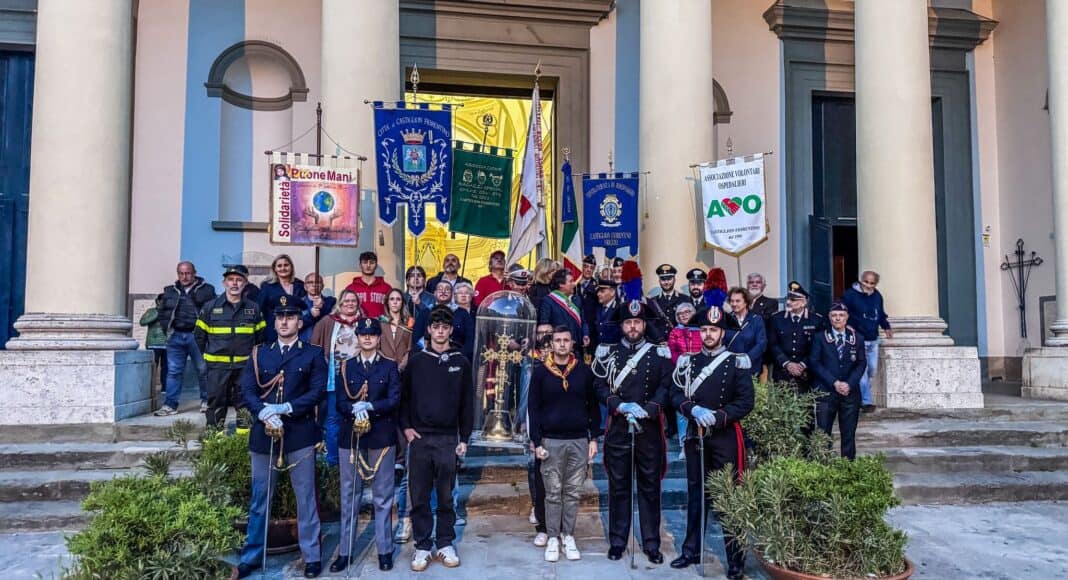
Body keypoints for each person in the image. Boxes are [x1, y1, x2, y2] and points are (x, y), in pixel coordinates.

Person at [232, 296, 327, 579]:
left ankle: (311, 555)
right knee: (260, 498)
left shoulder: (312, 354)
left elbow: (318, 391)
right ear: (274, 322)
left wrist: (287, 407)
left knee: (306, 498)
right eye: (279, 317)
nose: (284, 322)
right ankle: (252, 555)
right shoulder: (260, 353)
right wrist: (262, 411)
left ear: (300, 322)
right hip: (264, 434)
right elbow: (247, 389)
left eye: (290, 317)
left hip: (299, 433)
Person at [668, 305, 754, 580]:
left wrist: (717, 417)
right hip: (696, 434)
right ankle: (691, 550)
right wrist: (692, 409)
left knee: (728, 495)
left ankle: (736, 559)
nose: (707, 334)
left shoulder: (736, 362)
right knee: (696, 493)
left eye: (713, 330)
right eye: (704, 329)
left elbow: (745, 402)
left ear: (722, 333)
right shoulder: (688, 362)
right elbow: (675, 394)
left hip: (725, 436)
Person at [592, 300, 671, 564]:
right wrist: (618, 405)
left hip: (648, 428)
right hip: (619, 427)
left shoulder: (658, 353)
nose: (633, 327)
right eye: (628, 322)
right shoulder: (609, 352)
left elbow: (666, 386)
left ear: (644, 324)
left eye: (637, 322)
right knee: (619, 486)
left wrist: (649, 409)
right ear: (622, 325)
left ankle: (651, 543)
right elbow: (599, 385)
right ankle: (618, 541)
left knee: (650, 487)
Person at [400, 306, 474, 571]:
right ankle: (422, 545)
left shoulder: (460, 362)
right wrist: (406, 428)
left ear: (450, 330)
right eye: (436, 327)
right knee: (419, 494)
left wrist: (464, 437)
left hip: (448, 438)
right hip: (420, 437)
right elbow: (404, 397)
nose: (440, 332)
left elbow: (467, 403)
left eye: (445, 327)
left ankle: (444, 542)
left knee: (445, 495)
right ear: (429, 330)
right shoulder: (417, 360)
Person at [333, 317, 401, 573]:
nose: (368, 338)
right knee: (349, 495)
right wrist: (354, 410)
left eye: (372, 334)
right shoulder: (346, 366)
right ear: (358, 338)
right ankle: (345, 551)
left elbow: (394, 399)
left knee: (383, 496)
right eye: (363, 334)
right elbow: (340, 401)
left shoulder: (389, 366)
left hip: (381, 435)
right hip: (351, 437)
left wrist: (371, 406)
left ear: (378, 338)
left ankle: (384, 550)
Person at [528, 326, 600, 562]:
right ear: (551, 344)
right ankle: (552, 537)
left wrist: (594, 438)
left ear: (572, 344)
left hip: (578, 440)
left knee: (572, 492)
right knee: (552, 493)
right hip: (551, 441)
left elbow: (593, 407)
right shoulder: (541, 372)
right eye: (557, 340)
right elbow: (534, 408)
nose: (561, 344)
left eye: (565, 340)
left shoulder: (584, 372)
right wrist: (536, 440)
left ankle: (568, 535)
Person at [193, 265, 265, 426]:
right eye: (231, 280)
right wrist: (210, 354)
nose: (234, 283)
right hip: (217, 367)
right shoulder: (210, 307)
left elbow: (261, 338)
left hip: (244, 367)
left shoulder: (253, 308)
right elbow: (199, 336)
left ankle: (243, 439)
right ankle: (214, 439)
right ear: (224, 283)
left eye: (239, 280)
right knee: (216, 404)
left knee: (244, 403)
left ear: (245, 284)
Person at [310, 290, 362, 466]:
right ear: (340, 303)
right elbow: (315, 346)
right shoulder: (328, 321)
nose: (350, 303)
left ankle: (357, 461)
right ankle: (333, 461)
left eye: (353, 300)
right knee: (333, 419)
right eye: (346, 300)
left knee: (359, 418)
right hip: (334, 379)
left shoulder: (364, 321)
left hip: (359, 381)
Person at [156, 261, 215, 415]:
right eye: (181, 273)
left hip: (198, 336)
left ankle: (207, 401)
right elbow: (162, 312)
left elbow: (213, 311)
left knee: (203, 369)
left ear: (194, 273)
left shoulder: (207, 290)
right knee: (173, 371)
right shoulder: (170, 291)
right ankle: (170, 405)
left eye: (187, 273)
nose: (184, 277)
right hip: (175, 335)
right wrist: (166, 329)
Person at [809, 302, 867, 460]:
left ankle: (847, 467)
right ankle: (824, 466)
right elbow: (814, 362)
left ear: (847, 317)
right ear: (829, 317)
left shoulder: (857, 338)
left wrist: (849, 384)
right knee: (823, 433)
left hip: (850, 394)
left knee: (848, 434)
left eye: (841, 315)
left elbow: (861, 363)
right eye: (834, 315)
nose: (837, 318)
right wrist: (834, 382)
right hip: (826, 393)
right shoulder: (820, 338)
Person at [841, 270, 893, 413]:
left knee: (872, 369)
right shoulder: (850, 295)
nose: (869, 286)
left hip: (873, 338)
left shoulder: (877, 296)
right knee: (862, 371)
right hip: (858, 339)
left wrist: (886, 326)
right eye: (866, 282)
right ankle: (866, 402)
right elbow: (842, 312)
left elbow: (880, 314)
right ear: (860, 280)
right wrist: (846, 328)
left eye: (872, 283)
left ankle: (859, 395)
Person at [767, 281, 824, 392]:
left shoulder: (816, 320)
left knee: (806, 401)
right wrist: (787, 364)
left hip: (807, 371)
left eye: (793, 300)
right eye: (788, 299)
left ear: (803, 302)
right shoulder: (776, 319)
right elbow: (773, 344)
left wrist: (802, 365)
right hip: (782, 370)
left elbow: (817, 347)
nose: (788, 302)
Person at [667, 302, 702, 453]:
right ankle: (683, 445)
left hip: (700, 374)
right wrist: (682, 360)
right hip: (681, 375)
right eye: (680, 314)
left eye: (687, 312)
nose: (684, 315)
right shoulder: (675, 332)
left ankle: (700, 441)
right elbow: (672, 351)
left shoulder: (701, 329)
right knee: (682, 409)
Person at [258, 254, 307, 344]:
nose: (283, 268)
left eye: (286, 265)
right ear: (275, 269)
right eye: (279, 266)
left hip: (298, 332)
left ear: (291, 267)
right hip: (273, 333)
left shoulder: (300, 285)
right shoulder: (267, 286)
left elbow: (306, 306)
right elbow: (260, 310)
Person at [537, 269, 589, 352]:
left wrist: (585, 334)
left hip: (577, 349)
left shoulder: (577, 299)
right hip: (559, 348)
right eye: (570, 281)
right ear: (561, 284)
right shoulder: (548, 301)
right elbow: (544, 326)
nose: (574, 284)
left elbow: (584, 321)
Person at [724, 286, 767, 378]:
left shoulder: (756, 319)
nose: (734, 304)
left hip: (751, 367)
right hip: (731, 367)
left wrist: (747, 358)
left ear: (746, 302)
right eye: (732, 301)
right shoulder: (726, 319)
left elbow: (761, 343)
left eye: (738, 301)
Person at [346, 251, 392, 319]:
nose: (368, 265)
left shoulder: (386, 288)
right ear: (360, 265)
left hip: (380, 325)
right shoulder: (351, 288)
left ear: (376, 266)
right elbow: (344, 311)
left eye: (372, 263)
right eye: (365, 262)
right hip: (357, 325)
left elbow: (392, 311)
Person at [139, 294, 169, 392]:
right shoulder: (151, 311)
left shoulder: (170, 312)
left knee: (166, 367)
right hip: (153, 343)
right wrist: (157, 314)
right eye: (163, 300)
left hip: (167, 343)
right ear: (158, 301)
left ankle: (165, 388)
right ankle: (150, 388)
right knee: (152, 366)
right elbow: (142, 322)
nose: (164, 303)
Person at [649, 264, 686, 341]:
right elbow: (650, 325)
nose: (666, 282)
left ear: (674, 279)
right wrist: (659, 339)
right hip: (658, 343)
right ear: (659, 281)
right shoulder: (652, 302)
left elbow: (688, 325)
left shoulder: (685, 299)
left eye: (669, 279)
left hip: (678, 344)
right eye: (663, 279)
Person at [380, 288, 414, 371]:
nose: (395, 302)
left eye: (398, 299)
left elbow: (411, 347)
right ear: (387, 302)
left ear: (402, 303)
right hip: (383, 368)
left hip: (404, 368)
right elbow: (376, 347)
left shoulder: (409, 322)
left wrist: (403, 363)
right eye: (392, 299)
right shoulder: (380, 322)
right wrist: (386, 363)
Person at [300, 272, 335, 343]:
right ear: (305, 286)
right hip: (303, 344)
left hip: (324, 344)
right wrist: (311, 315)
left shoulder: (330, 303)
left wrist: (323, 307)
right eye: (310, 282)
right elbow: (295, 325)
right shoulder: (298, 303)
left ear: (322, 286)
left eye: (317, 282)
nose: (314, 285)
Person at [590, 277, 621, 351]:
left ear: (612, 292)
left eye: (602, 291)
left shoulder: (619, 309)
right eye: (598, 291)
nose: (598, 294)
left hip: (614, 351)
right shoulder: (598, 308)